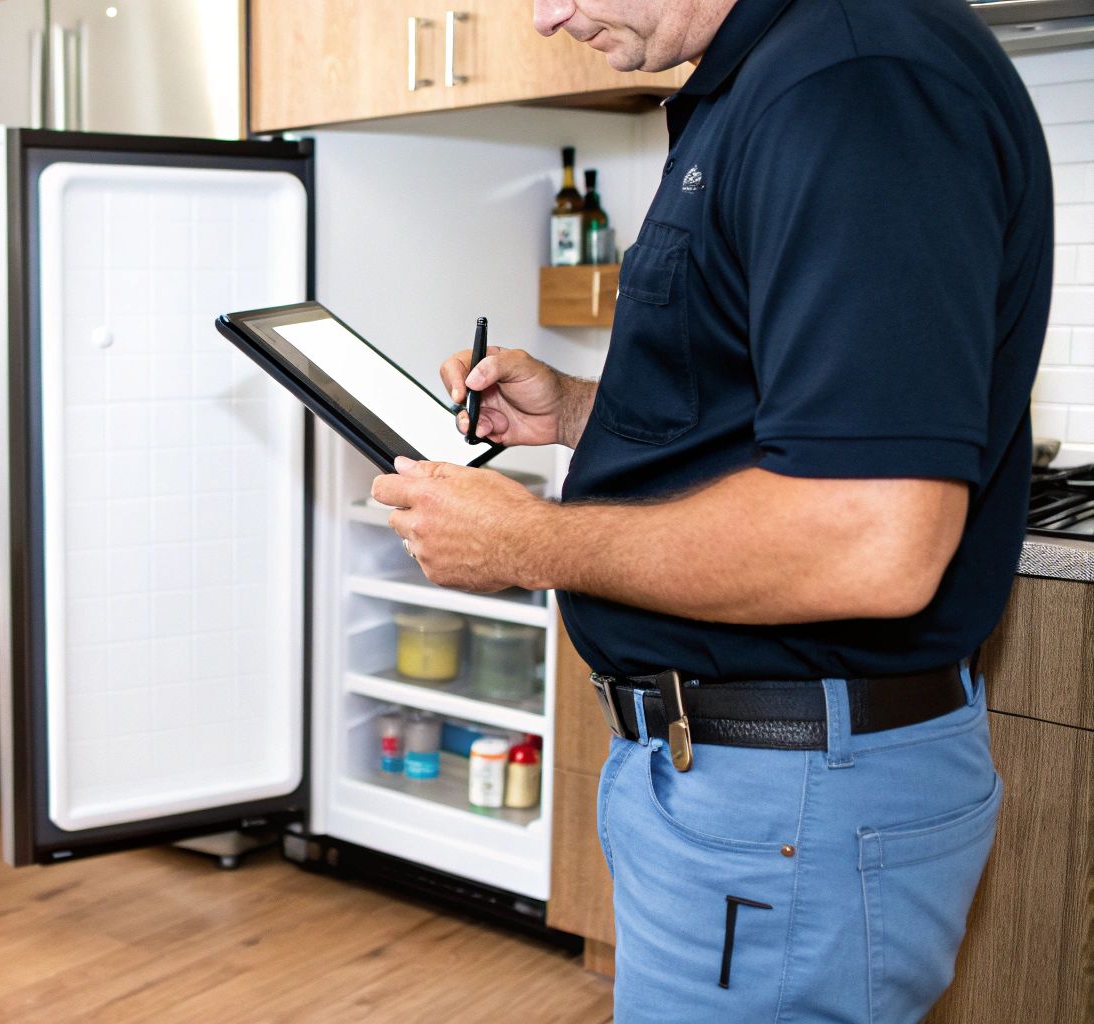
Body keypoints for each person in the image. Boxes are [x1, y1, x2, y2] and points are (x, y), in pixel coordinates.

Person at [370, 0, 1053, 1020]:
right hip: (747, 785)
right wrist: (580, 412)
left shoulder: (854, 83)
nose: (547, 16)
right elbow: (765, 418)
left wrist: (523, 539)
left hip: (790, 797)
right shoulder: (779, 75)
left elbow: (871, 540)